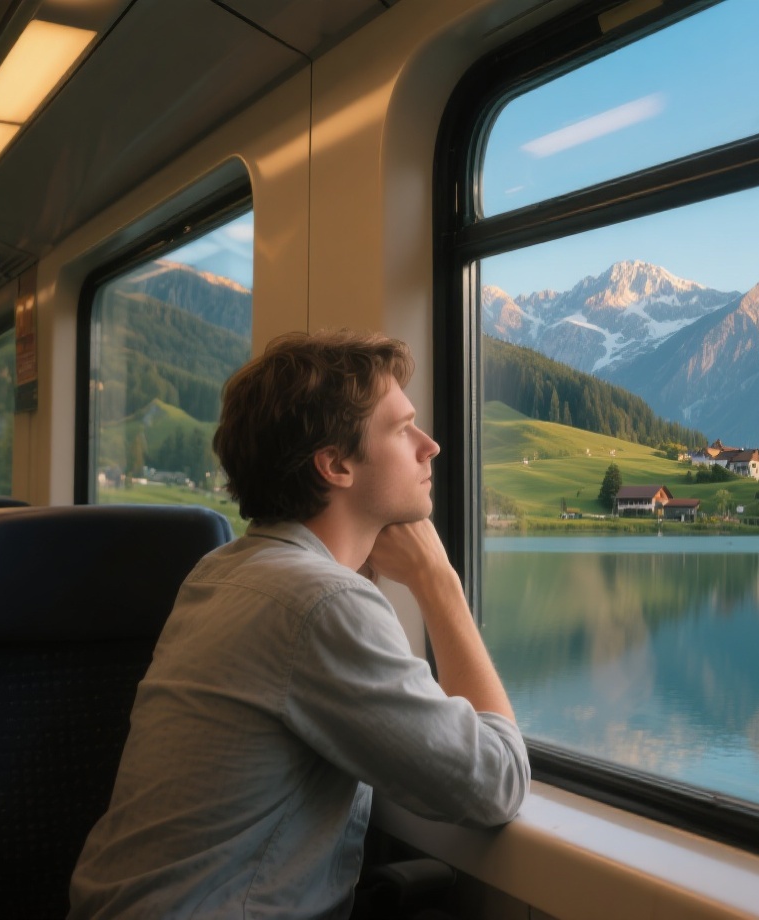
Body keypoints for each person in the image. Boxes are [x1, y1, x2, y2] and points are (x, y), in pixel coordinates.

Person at [69, 331, 528, 919]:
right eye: (403, 428)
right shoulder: (321, 602)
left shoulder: (223, 569)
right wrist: (439, 584)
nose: (431, 446)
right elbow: (497, 781)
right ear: (335, 464)